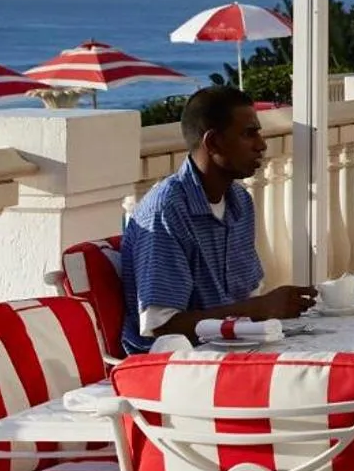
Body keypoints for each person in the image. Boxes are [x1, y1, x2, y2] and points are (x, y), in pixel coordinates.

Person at [119, 86, 316, 354]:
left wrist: (268, 310)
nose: (261, 144)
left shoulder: (239, 202)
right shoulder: (166, 211)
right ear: (212, 142)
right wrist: (260, 309)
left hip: (235, 349)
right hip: (178, 367)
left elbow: (244, 297)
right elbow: (163, 327)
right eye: (249, 133)